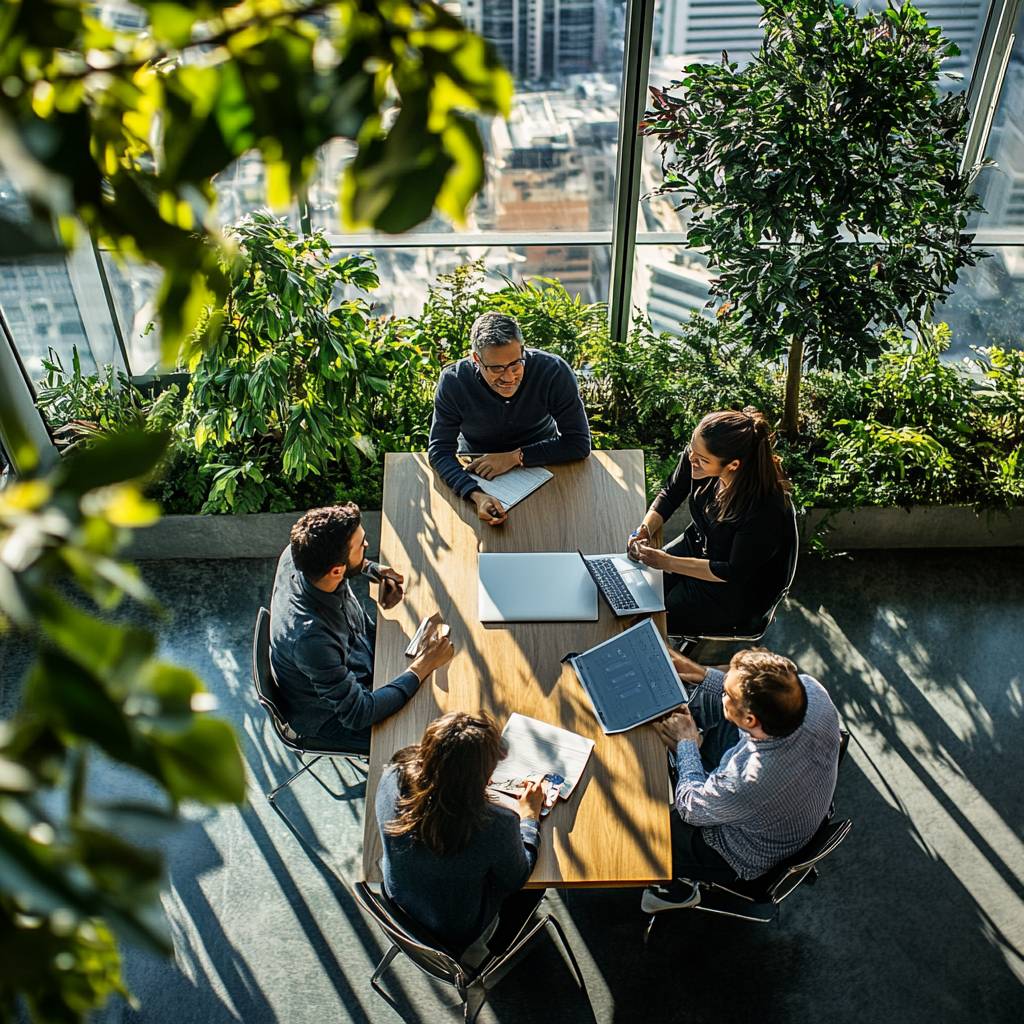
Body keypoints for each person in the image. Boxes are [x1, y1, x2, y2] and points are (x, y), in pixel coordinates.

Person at [641, 646, 841, 913]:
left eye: (728, 694)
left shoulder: (749, 778)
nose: (723, 691)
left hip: (741, 852)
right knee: (707, 714)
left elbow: (691, 808)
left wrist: (686, 743)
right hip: (800, 805)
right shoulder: (811, 691)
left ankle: (681, 890)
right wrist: (700, 674)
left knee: (646, 832)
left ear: (749, 719)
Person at [269, 503, 454, 753]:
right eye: (362, 545)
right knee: (436, 745)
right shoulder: (311, 639)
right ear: (337, 570)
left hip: (353, 662)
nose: (367, 546)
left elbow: (342, 566)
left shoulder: (298, 553)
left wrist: (371, 569)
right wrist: (424, 664)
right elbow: (358, 713)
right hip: (332, 718)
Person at [375, 711, 547, 964]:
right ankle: (498, 944)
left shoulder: (393, 776)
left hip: (400, 902)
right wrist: (529, 817)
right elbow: (516, 878)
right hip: (455, 929)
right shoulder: (495, 825)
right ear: (481, 777)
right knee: (537, 881)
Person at [627, 408, 793, 636]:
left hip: (731, 590)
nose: (691, 460)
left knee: (644, 623)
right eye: (692, 449)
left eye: (703, 460)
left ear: (733, 465)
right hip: (698, 546)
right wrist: (645, 529)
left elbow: (732, 572)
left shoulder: (764, 507)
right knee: (635, 591)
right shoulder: (698, 456)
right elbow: (671, 492)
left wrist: (667, 562)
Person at [428, 311, 591, 526]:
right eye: (496, 368)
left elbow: (579, 443)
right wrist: (476, 495)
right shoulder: (453, 381)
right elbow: (439, 451)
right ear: (476, 359)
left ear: (523, 350)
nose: (509, 377)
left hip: (545, 463)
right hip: (478, 466)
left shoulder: (553, 371)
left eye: (515, 364)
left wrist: (515, 457)